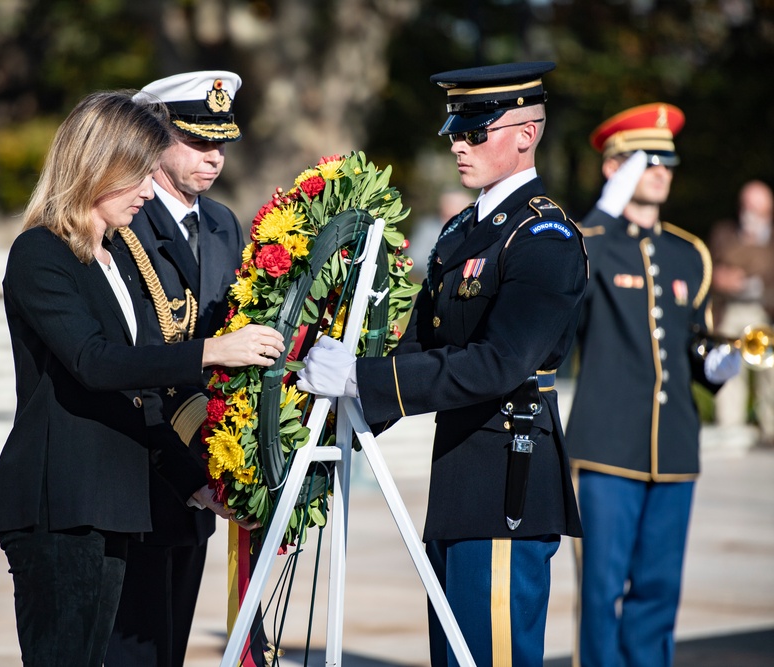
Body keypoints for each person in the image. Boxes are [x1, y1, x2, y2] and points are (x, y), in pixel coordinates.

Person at [296, 61, 587, 667]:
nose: (459, 142)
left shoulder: (545, 237)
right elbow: (420, 347)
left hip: (508, 479)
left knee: (492, 657)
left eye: (476, 131)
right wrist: (330, 422)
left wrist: (361, 379)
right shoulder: (461, 229)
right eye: (456, 129)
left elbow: (499, 364)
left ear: (526, 134)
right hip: (457, 480)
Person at [0, 90, 284, 667]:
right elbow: (95, 363)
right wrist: (213, 350)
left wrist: (191, 480)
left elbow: (138, 396)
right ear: (97, 168)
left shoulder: (116, 259)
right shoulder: (40, 253)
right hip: (63, 503)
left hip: (115, 502)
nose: (149, 192)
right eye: (137, 177)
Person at [565, 103, 741, 667]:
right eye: (648, 160)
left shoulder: (689, 254)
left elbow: (689, 337)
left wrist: (713, 362)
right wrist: (598, 218)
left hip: (675, 448)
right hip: (607, 447)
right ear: (613, 168)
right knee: (601, 594)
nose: (663, 171)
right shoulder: (586, 242)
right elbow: (567, 296)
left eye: (669, 161)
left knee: (659, 594)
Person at [104, 70, 248, 667]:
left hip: (202, 455)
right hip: (141, 459)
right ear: (155, 135)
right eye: (196, 141)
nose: (212, 158)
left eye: (220, 143)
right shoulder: (124, 219)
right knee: (134, 645)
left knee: (173, 642)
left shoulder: (221, 223)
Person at [708, 179, 774, 446]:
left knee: (770, 374)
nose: (751, 213)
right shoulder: (725, 232)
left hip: (764, 311)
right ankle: (730, 429)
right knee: (729, 368)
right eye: (747, 206)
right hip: (730, 310)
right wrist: (721, 278)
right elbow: (708, 267)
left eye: (758, 208)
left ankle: (770, 430)